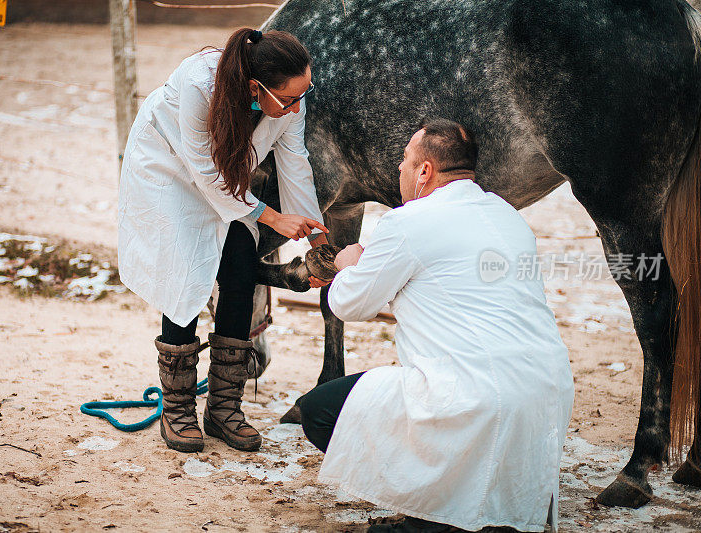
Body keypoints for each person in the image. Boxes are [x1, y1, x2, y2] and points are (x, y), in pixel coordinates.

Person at [298, 119, 574, 532]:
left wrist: (348, 262)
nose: (399, 170)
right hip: (547, 394)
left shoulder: (407, 222)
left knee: (318, 412)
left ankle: (431, 519)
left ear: (425, 171)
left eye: (406, 161)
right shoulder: (506, 215)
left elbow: (348, 303)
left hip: (473, 394)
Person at [118, 28, 329, 454]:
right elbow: (205, 171)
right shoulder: (200, 84)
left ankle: (223, 408)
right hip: (169, 171)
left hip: (223, 182)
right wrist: (272, 217)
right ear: (257, 87)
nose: (297, 106)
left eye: (304, 93)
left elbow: (294, 161)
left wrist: (318, 240)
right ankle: (177, 409)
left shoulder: (287, 103)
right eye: (289, 98)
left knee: (239, 266)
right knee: (186, 276)